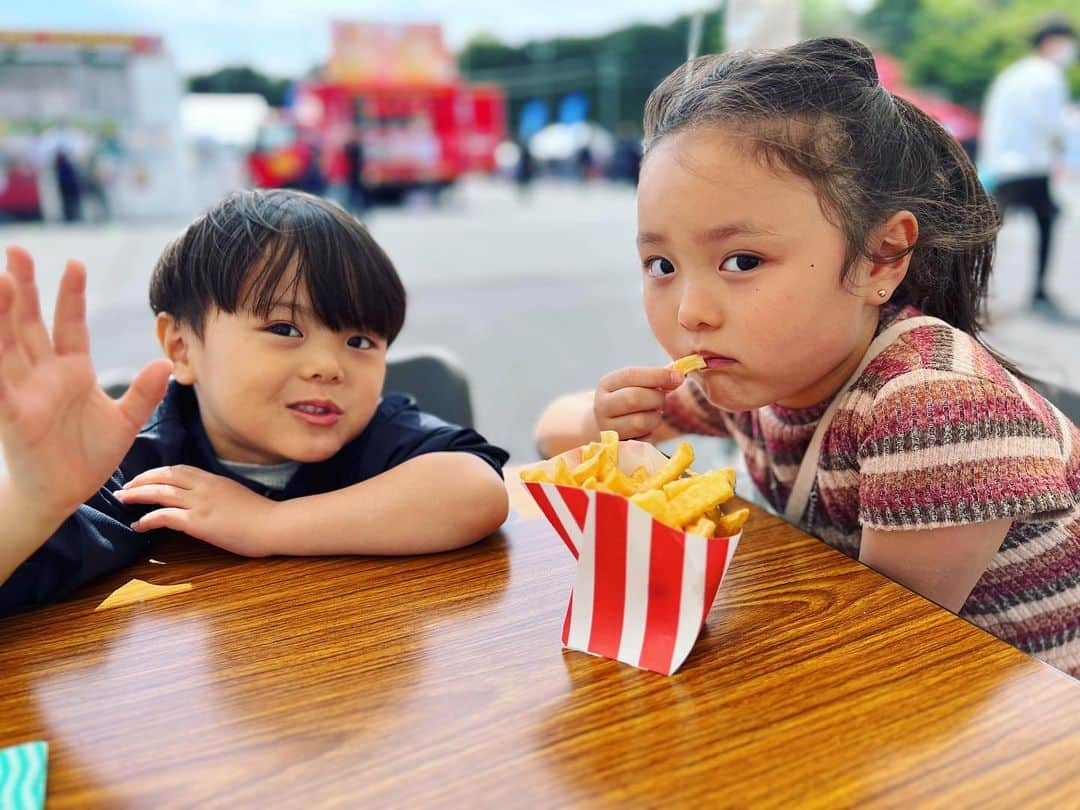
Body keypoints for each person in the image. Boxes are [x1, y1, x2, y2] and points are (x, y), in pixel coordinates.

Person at [534, 38, 1079, 678]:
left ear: (881, 256)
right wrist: (611, 417)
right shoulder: (752, 375)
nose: (689, 311)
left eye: (741, 261)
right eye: (661, 265)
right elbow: (550, 433)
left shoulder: (936, 406)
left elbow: (882, 649)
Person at [0, 189, 510, 615]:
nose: (328, 366)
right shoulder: (145, 470)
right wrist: (33, 504)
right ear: (182, 347)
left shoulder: (376, 431)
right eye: (285, 328)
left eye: (359, 341)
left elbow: (477, 491)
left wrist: (265, 525)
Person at [980, 21, 1077, 317]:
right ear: (1051, 41)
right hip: (1032, 164)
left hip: (1002, 164)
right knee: (1045, 222)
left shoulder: (1012, 74)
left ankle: (971, 287)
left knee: (990, 229)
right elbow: (1052, 124)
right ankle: (1038, 291)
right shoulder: (1049, 75)